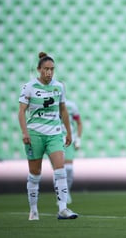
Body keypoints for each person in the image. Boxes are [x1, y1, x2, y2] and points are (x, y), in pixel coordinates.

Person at [18, 52, 78, 220]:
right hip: (34, 134)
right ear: (39, 69)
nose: (49, 72)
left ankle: (63, 209)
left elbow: (63, 110)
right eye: (46, 69)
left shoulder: (59, 87)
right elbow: (21, 111)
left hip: (54, 134)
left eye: (52, 69)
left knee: (61, 170)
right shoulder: (29, 87)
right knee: (35, 174)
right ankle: (34, 210)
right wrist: (25, 132)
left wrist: (69, 132)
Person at [60, 95, 83, 204]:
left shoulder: (71, 105)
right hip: (54, 138)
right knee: (59, 169)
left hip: (68, 139)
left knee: (68, 168)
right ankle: (61, 194)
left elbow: (79, 123)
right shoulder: (50, 105)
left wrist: (78, 139)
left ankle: (66, 191)